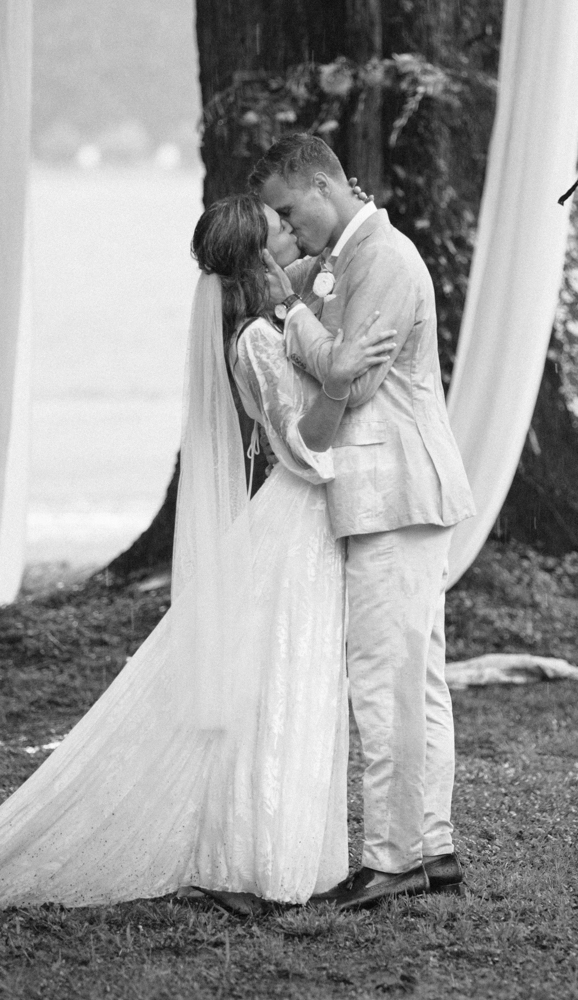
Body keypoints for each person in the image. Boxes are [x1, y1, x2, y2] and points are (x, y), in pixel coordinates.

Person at [0, 193, 394, 916]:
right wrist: (341, 379)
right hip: (297, 525)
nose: (294, 240)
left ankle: (292, 857)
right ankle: (259, 863)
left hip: (305, 525)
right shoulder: (258, 341)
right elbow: (302, 446)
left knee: (299, 684)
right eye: (279, 233)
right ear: (259, 258)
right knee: (286, 686)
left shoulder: (275, 324)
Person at [249, 133, 476, 910]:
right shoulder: (342, 259)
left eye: (288, 210)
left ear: (323, 185)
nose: (289, 226)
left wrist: (287, 313)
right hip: (396, 493)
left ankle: (390, 860)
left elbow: (358, 372)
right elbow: (298, 300)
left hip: (393, 490)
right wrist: (287, 292)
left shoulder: (382, 257)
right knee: (417, 682)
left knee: (385, 683)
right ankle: (432, 848)